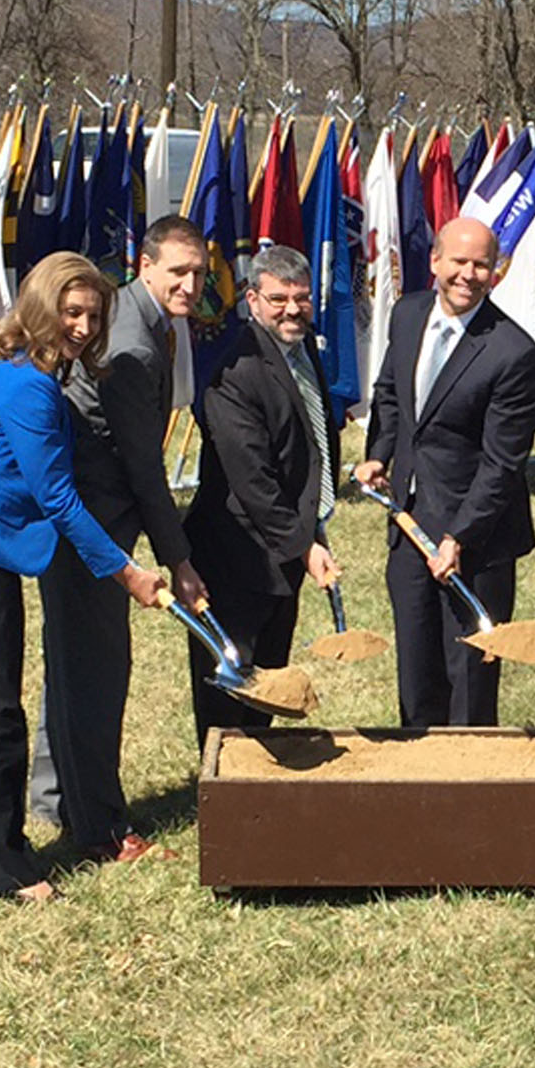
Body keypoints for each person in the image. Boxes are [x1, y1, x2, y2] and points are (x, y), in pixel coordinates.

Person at [0, 253, 164, 901]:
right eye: (72, 312)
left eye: (94, 314)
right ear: (41, 304)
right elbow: (59, 497)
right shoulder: (28, 385)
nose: (85, 326)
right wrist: (128, 572)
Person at [27, 215, 209, 859]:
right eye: (178, 272)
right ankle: (99, 824)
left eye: (199, 274)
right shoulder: (129, 343)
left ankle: (54, 797)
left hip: (89, 520)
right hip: (89, 529)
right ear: (145, 262)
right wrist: (178, 559)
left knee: (73, 662)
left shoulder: (146, 319)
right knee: (97, 673)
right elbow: (143, 466)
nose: (189, 285)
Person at [356, 218, 535, 726]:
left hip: (477, 540)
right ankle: (418, 783)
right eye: (458, 261)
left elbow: (502, 463)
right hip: (410, 525)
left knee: (469, 677)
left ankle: (469, 793)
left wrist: (460, 536)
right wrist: (379, 454)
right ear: (435, 261)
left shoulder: (513, 352)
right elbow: (392, 395)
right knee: (417, 671)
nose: (468, 274)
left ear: (495, 271)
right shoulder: (408, 314)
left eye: (481, 264)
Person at [182, 246, 341, 743]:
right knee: (230, 688)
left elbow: (312, 445)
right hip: (236, 557)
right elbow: (252, 479)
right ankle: (222, 789)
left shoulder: (300, 348)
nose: (292, 309)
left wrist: (306, 534)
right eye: (278, 299)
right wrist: (303, 544)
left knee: (270, 679)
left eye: (301, 298)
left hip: (281, 556)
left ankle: (259, 781)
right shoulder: (236, 371)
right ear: (252, 299)